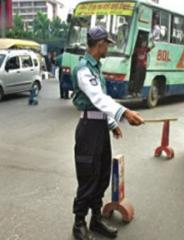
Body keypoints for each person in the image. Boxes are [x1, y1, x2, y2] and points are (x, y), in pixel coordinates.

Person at [71, 26, 145, 240]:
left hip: (100, 128)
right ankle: (78, 224)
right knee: (88, 176)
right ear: (100, 43)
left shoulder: (95, 68)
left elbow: (102, 103)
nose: (108, 48)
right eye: (107, 44)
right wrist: (124, 112)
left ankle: (96, 219)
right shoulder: (84, 68)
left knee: (102, 175)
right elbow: (97, 98)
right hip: (88, 130)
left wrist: (112, 123)